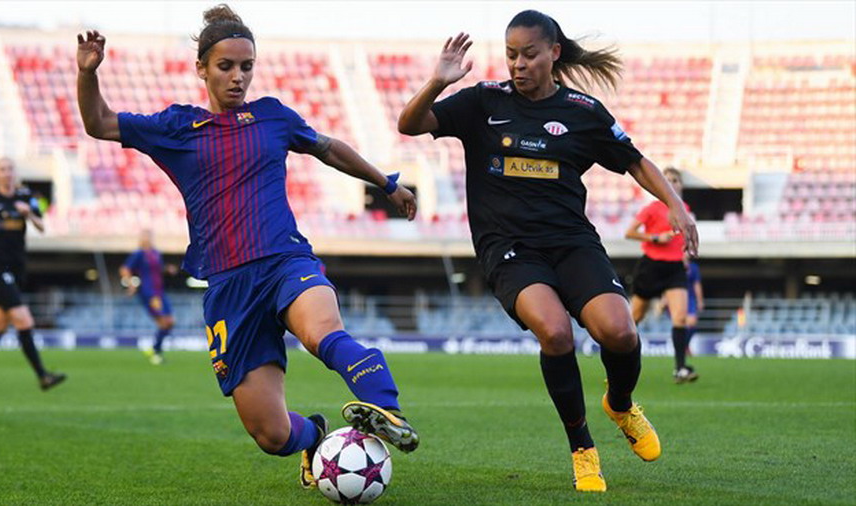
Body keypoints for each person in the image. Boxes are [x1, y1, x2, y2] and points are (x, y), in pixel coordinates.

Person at [76, 4, 419, 490]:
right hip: (229, 289)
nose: (238, 77)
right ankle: (315, 435)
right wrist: (87, 73)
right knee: (271, 434)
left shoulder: (273, 116)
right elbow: (98, 122)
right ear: (201, 68)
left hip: (286, 261)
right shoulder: (176, 128)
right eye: (226, 66)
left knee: (323, 334)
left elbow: (327, 147)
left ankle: (387, 407)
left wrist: (386, 183)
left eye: (247, 66)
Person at [397, 10, 698, 492]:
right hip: (509, 247)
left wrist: (675, 206)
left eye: (529, 55)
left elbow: (635, 161)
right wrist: (437, 82)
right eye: (511, 54)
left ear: (554, 53)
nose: (518, 64)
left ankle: (620, 405)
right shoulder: (483, 102)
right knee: (555, 332)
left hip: (572, 242)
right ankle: (583, 450)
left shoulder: (583, 111)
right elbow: (410, 124)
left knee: (620, 332)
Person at [0, 158, 67, 391]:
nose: (6, 173)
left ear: (15, 173)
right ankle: (43, 376)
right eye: (2, 170)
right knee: (24, 320)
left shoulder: (26, 197)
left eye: (10, 169)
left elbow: (41, 226)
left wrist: (29, 215)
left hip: (18, 269)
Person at [626, 167, 697, 383]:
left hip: (675, 268)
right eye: (668, 180)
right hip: (651, 267)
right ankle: (620, 362)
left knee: (680, 317)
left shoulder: (684, 209)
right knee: (634, 318)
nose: (672, 184)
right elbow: (629, 233)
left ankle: (680, 368)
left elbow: (681, 239)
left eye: (675, 180)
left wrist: (685, 256)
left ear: (681, 185)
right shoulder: (651, 208)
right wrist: (656, 238)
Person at [120, 228, 177, 365]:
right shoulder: (139, 254)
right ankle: (156, 351)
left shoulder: (156, 253)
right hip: (149, 293)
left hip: (160, 292)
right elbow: (124, 269)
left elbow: (159, 269)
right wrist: (131, 284)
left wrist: (168, 269)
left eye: (149, 236)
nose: (147, 239)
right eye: (144, 236)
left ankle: (154, 349)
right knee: (164, 322)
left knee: (170, 322)